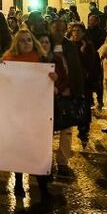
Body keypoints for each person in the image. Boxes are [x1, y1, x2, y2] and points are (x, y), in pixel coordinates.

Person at [1, 29, 52, 199]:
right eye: (22, 40)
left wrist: (53, 78)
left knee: (37, 150)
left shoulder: (41, 59)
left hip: (36, 112)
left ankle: (43, 186)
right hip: (16, 111)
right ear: (17, 42)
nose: (26, 43)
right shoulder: (8, 59)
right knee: (19, 148)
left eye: (29, 40)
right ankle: (18, 181)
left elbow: (52, 80)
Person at [48, 19, 84, 179]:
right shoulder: (44, 44)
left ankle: (62, 161)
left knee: (66, 129)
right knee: (47, 129)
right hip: (48, 93)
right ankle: (46, 162)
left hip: (66, 92)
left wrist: (64, 87)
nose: (59, 33)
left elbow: (74, 71)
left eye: (62, 30)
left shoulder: (69, 46)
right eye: (56, 29)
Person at [69, 22, 98, 147]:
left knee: (84, 107)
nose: (75, 33)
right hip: (71, 81)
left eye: (78, 31)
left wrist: (82, 52)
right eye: (74, 30)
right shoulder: (68, 45)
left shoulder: (87, 46)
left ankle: (83, 130)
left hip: (84, 82)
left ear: (83, 33)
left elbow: (91, 65)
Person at [85, 13, 107, 110]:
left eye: (92, 20)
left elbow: (103, 44)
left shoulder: (102, 32)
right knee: (88, 81)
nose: (91, 22)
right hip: (87, 60)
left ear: (97, 22)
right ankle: (90, 100)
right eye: (90, 20)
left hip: (97, 60)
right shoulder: (86, 32)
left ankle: (99, 99)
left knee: (98, 81)